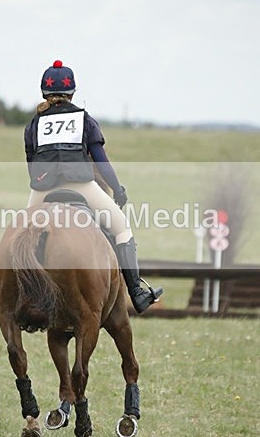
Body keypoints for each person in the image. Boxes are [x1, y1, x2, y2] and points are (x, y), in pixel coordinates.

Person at [24, 59, 163, 314]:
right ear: (72, 92)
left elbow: (32, 166)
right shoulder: (84, 120)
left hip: (42, 190)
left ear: (44, 92)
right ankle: (137, 293)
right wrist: (117, 189)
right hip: (81, 186)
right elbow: (101, 161)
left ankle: (21, 296)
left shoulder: (34, 124)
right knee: (122, 228)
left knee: (22, 236)